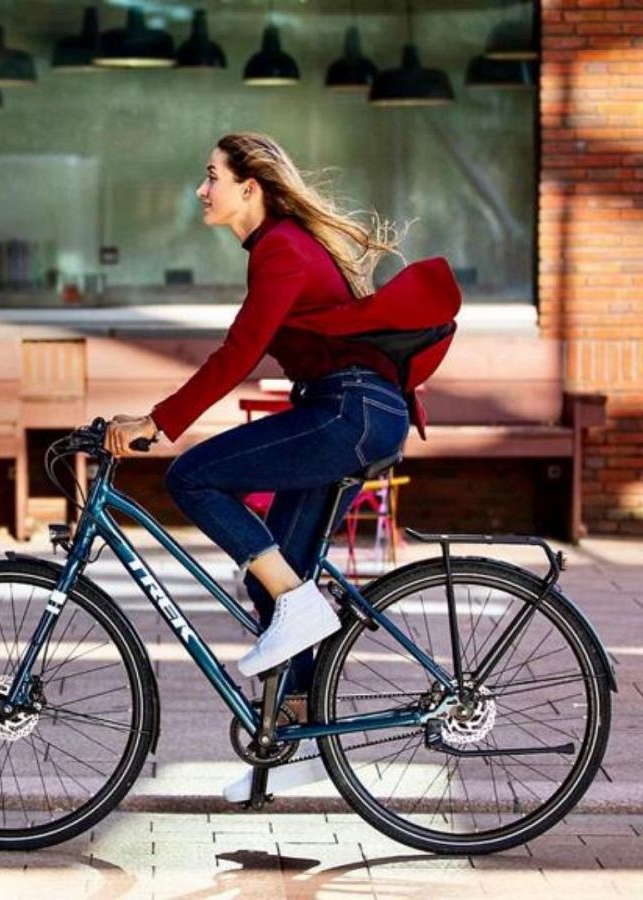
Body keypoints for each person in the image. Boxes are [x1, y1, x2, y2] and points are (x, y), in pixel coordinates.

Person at [104, 132, 414, 801]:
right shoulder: (278, 249)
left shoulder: (280, 250)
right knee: (271, 579)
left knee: (191, 476)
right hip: (352, 410)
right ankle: (298, 741)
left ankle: (302, 608)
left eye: (211, 175)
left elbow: (238, 352)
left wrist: (157, 426)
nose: (201, 189)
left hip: (348, 413)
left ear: (251, 187)